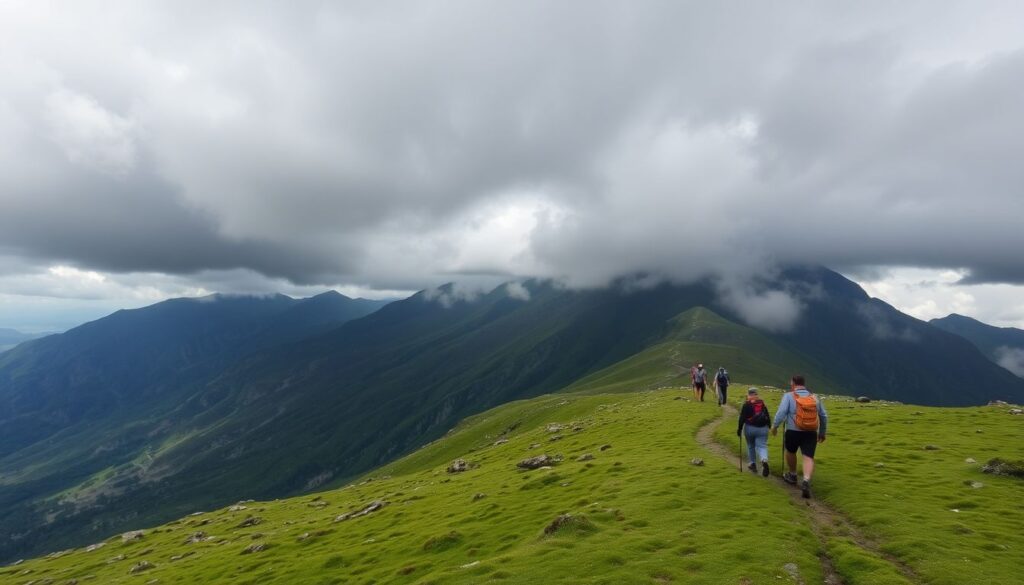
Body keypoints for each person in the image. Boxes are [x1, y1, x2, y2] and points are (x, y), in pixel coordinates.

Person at [771, 375, 828, 499]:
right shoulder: (814, 397)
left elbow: (781, 413)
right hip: (811, 431)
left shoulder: (788, 396)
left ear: (793, 383)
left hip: (793, 431)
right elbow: (823, 415)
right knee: (808, 457)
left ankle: (792, 475)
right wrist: (822, 432)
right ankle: (806, 480)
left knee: (790, 451)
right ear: (804, 384)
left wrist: (775, 426)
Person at [737, 387, 771, 476]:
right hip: (763, 429)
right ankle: (764, 460)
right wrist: (769, 427)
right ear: (756, 395)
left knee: (751, 445)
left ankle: (753, 464)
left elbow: (742, 418)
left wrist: (739, 429)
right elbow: (767, 415)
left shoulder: (746, 405)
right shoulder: (762, 403)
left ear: (749, 395)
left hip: (750, 428)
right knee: (762, 446)